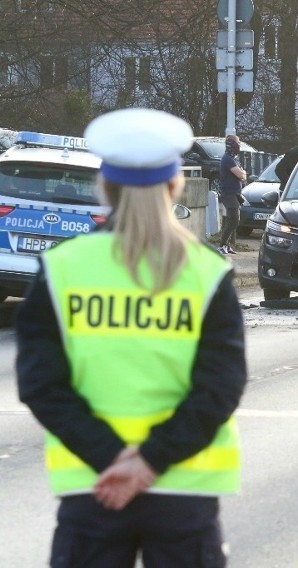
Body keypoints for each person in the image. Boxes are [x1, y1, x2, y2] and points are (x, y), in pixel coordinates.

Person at [16, 108, 247, 567]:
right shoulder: (207, 272)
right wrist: (151, 462)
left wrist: (113, 460)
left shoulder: (61, 270)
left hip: (94, 485)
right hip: (184, 488)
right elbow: (219, 387)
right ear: (175, 186)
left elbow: (42, 384)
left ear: (105, 187)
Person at [218, 134, 247, 255]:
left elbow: (243, 174)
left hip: (235, 193)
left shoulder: (234, 158)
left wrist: (242, 174)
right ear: (232, 144)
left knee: (233, 219)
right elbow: (241, 175)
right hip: (228, 193)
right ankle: (222, 245)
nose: (239, 144)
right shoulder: (227, 159)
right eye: (238, 142)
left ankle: (227, 245)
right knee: (234, 219)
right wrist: (242, 173)